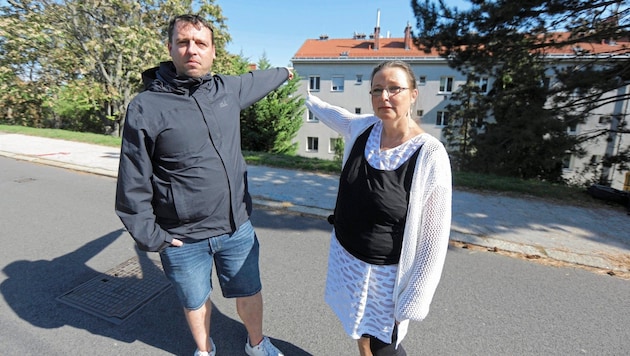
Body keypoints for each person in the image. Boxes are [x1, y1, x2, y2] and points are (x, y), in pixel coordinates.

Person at [115, 14, 290, 356]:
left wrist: (286, 72)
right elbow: (131, 181)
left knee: (249, 292)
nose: (191, 50)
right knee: (195, 301)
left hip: (235, 228)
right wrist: (154, 238)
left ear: (212, 51)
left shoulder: (226, 89)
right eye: (183, 42)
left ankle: (257, 345)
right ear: (170, 48)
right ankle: (204, 350)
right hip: (182, 238)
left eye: (200, 43)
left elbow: (258, 80)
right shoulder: (145, 107)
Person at [305, 60, 452, 356]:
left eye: (394, 88)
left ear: (413, 94)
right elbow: (337, 116)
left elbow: (433, 240)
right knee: (360, 331)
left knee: (385, 346)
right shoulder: (364, 129)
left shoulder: (430, 155)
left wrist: (414, 298)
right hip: (349, 262)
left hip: (387, 278)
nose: (384, 96)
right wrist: (307, 99)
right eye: (377, 90)